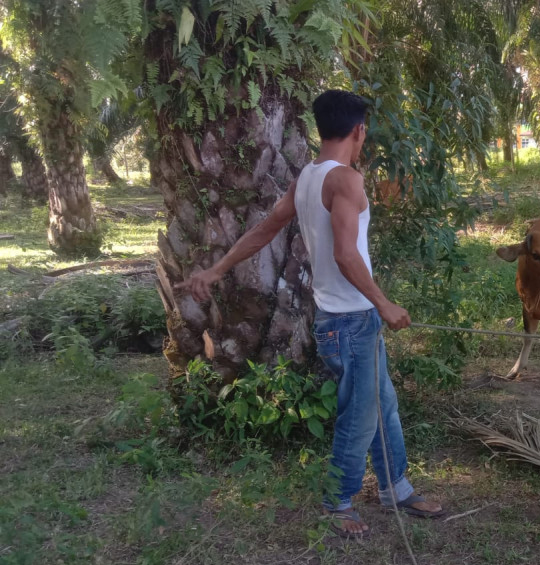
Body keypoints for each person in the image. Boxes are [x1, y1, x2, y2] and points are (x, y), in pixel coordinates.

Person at [178, 90, 444, 537]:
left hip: (339, 321)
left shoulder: (307, 177)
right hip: (352, 322)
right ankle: (338, 504)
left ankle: (396, 488)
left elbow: (265, 229)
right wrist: (384, 303)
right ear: (359, 131)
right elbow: (345, 254)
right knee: (360, 415)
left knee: (384, 406)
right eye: (365, 131)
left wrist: (218, 268)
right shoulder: (346, 180)